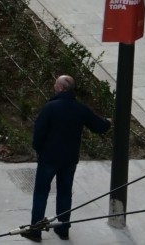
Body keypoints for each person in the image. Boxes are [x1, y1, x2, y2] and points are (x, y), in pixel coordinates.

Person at [21, 75, 111, 240]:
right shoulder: (80, 108)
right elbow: (99, 126)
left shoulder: (51, 107)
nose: (54, 85)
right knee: (64, 193)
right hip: (69, 159)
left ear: (61, 88)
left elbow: (39, 132)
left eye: (56, 83)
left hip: (49, 158)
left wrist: (39, 148)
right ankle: (63, 228)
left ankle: (35, 231)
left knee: (41, 193)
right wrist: (108, 122)